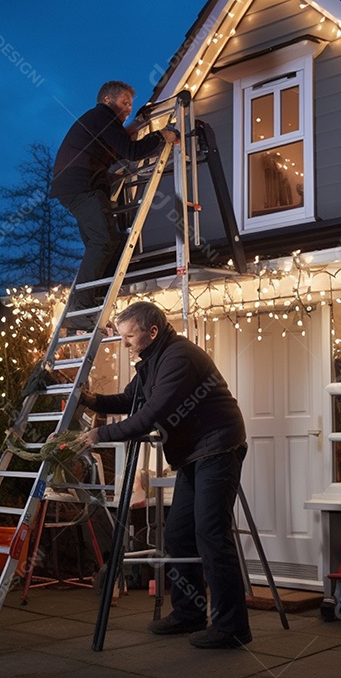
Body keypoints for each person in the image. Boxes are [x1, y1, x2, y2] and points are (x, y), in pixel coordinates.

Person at [77, 301, 252, 649]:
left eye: (129, 337)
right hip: (193, 453)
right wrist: (90, 399)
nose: (125, 343)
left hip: (218, 446)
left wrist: (101, 434)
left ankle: (232, 627)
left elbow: (153, 414)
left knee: (212, 535)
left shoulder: (178, 358)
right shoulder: (152, 360)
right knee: (178, 533)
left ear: (151, 332)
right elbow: (131, 400)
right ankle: (189, 613)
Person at [50, 82, 179, 320]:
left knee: (104, 244)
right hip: (82, 185)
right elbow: (130, 151)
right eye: (125, 102)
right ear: (108, 100)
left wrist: (138, 126)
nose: (129, 109)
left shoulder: (100, 122)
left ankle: (91, 300)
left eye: (131, 104)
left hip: (75, 186)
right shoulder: (103, 116)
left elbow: (120, 143)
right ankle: (80, 310)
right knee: (104, 241)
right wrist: (162, 136)